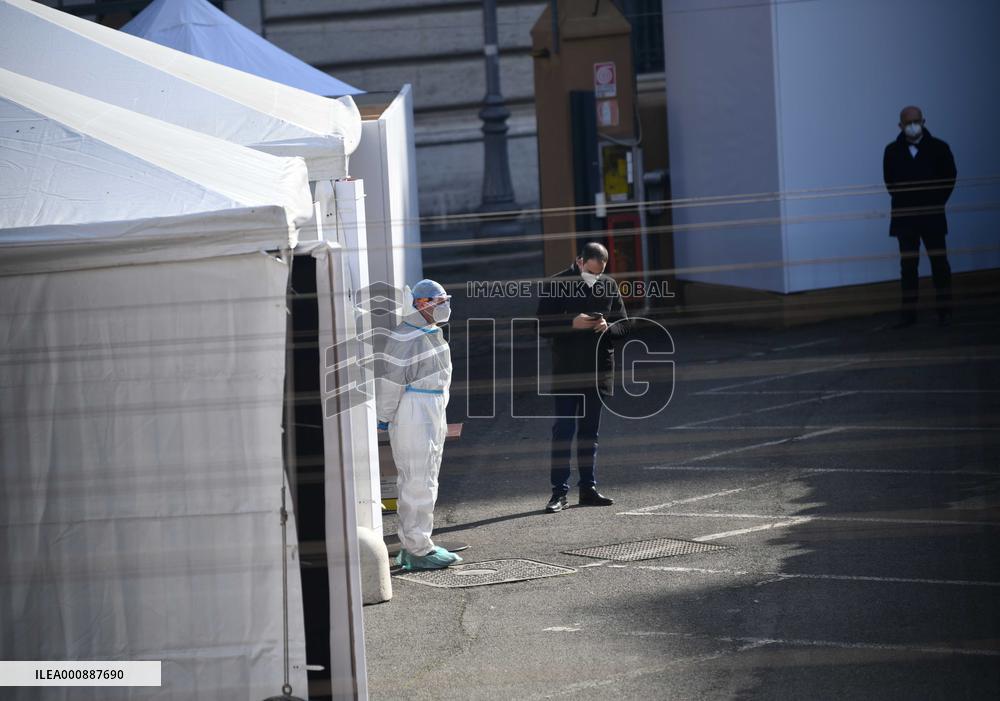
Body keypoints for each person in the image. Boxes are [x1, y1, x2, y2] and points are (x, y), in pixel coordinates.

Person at [536, 242, 631, 513]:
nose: (595, 278)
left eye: (600, 273)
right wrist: (570, 323)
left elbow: (625, 327)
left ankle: (588, 489)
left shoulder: (609, 285)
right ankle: (559, 493)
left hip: (599, 372)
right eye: (591, 273)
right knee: (563, 432)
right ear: (579, 262)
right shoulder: (557, 283)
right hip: (567, 372)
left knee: (590, 433)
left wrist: (608, 327)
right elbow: (540, 325)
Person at [375, 279, 462, 570]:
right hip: (414, 411)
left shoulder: (429, 332)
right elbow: (390, 382)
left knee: (426, 480)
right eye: (439, 302)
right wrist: (384, 417)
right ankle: (417, 548)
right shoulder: (405, 336)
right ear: (421, 305)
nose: (445, 306)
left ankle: (420, 542)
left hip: (429, 410)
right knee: (416, 480)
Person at [883, 105, 957, 327]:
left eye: (917, 121)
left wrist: (935, 201)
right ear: (900, 126)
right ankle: (908, 314)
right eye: (908, 123)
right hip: (905, 218)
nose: (913, 126)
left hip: (932, 215)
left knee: (939, 263)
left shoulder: (939, 148)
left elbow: (949, 177)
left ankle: (945, 310)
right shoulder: (892, 150)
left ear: (924, 122)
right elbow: (890, 182)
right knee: (908, 266)